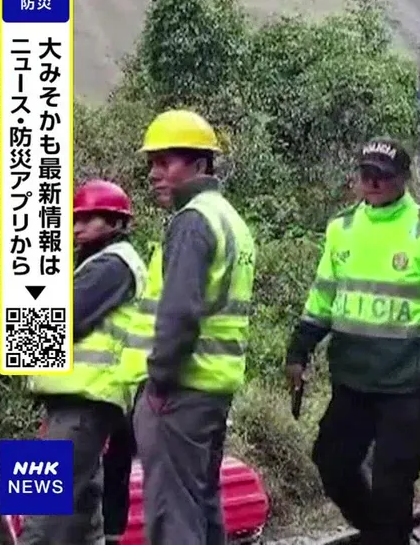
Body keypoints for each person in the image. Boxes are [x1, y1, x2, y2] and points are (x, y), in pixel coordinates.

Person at [284, 138, 420, 545]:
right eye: (367, 174)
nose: (374, 182)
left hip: (406, 383)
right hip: (352, 380)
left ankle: (386, 535)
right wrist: (299, 350)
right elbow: (322, 298)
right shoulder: (341, 229)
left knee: (394, 480)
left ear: (403, 178)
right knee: (332, 463)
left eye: (383, 175)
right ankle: (381, 532)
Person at [116, 109, 257, 545]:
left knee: (172, 515)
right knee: (202, 506)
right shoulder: (229, 219)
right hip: (213, 389)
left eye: (165, 162)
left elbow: (180, 313)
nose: (154, 174)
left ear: (199, 164)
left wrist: (158, 384)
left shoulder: (192, 221)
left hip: (179, 392)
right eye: (152, 163)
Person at [21, 180, 147, 545]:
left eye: (88, 219)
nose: (77, 228)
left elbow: (63, 319)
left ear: (116, 222)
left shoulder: (113, 264)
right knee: (82, 514)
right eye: (75, 219)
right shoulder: (94, 264)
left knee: (39, 506)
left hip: (84, 401)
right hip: (77, 402)